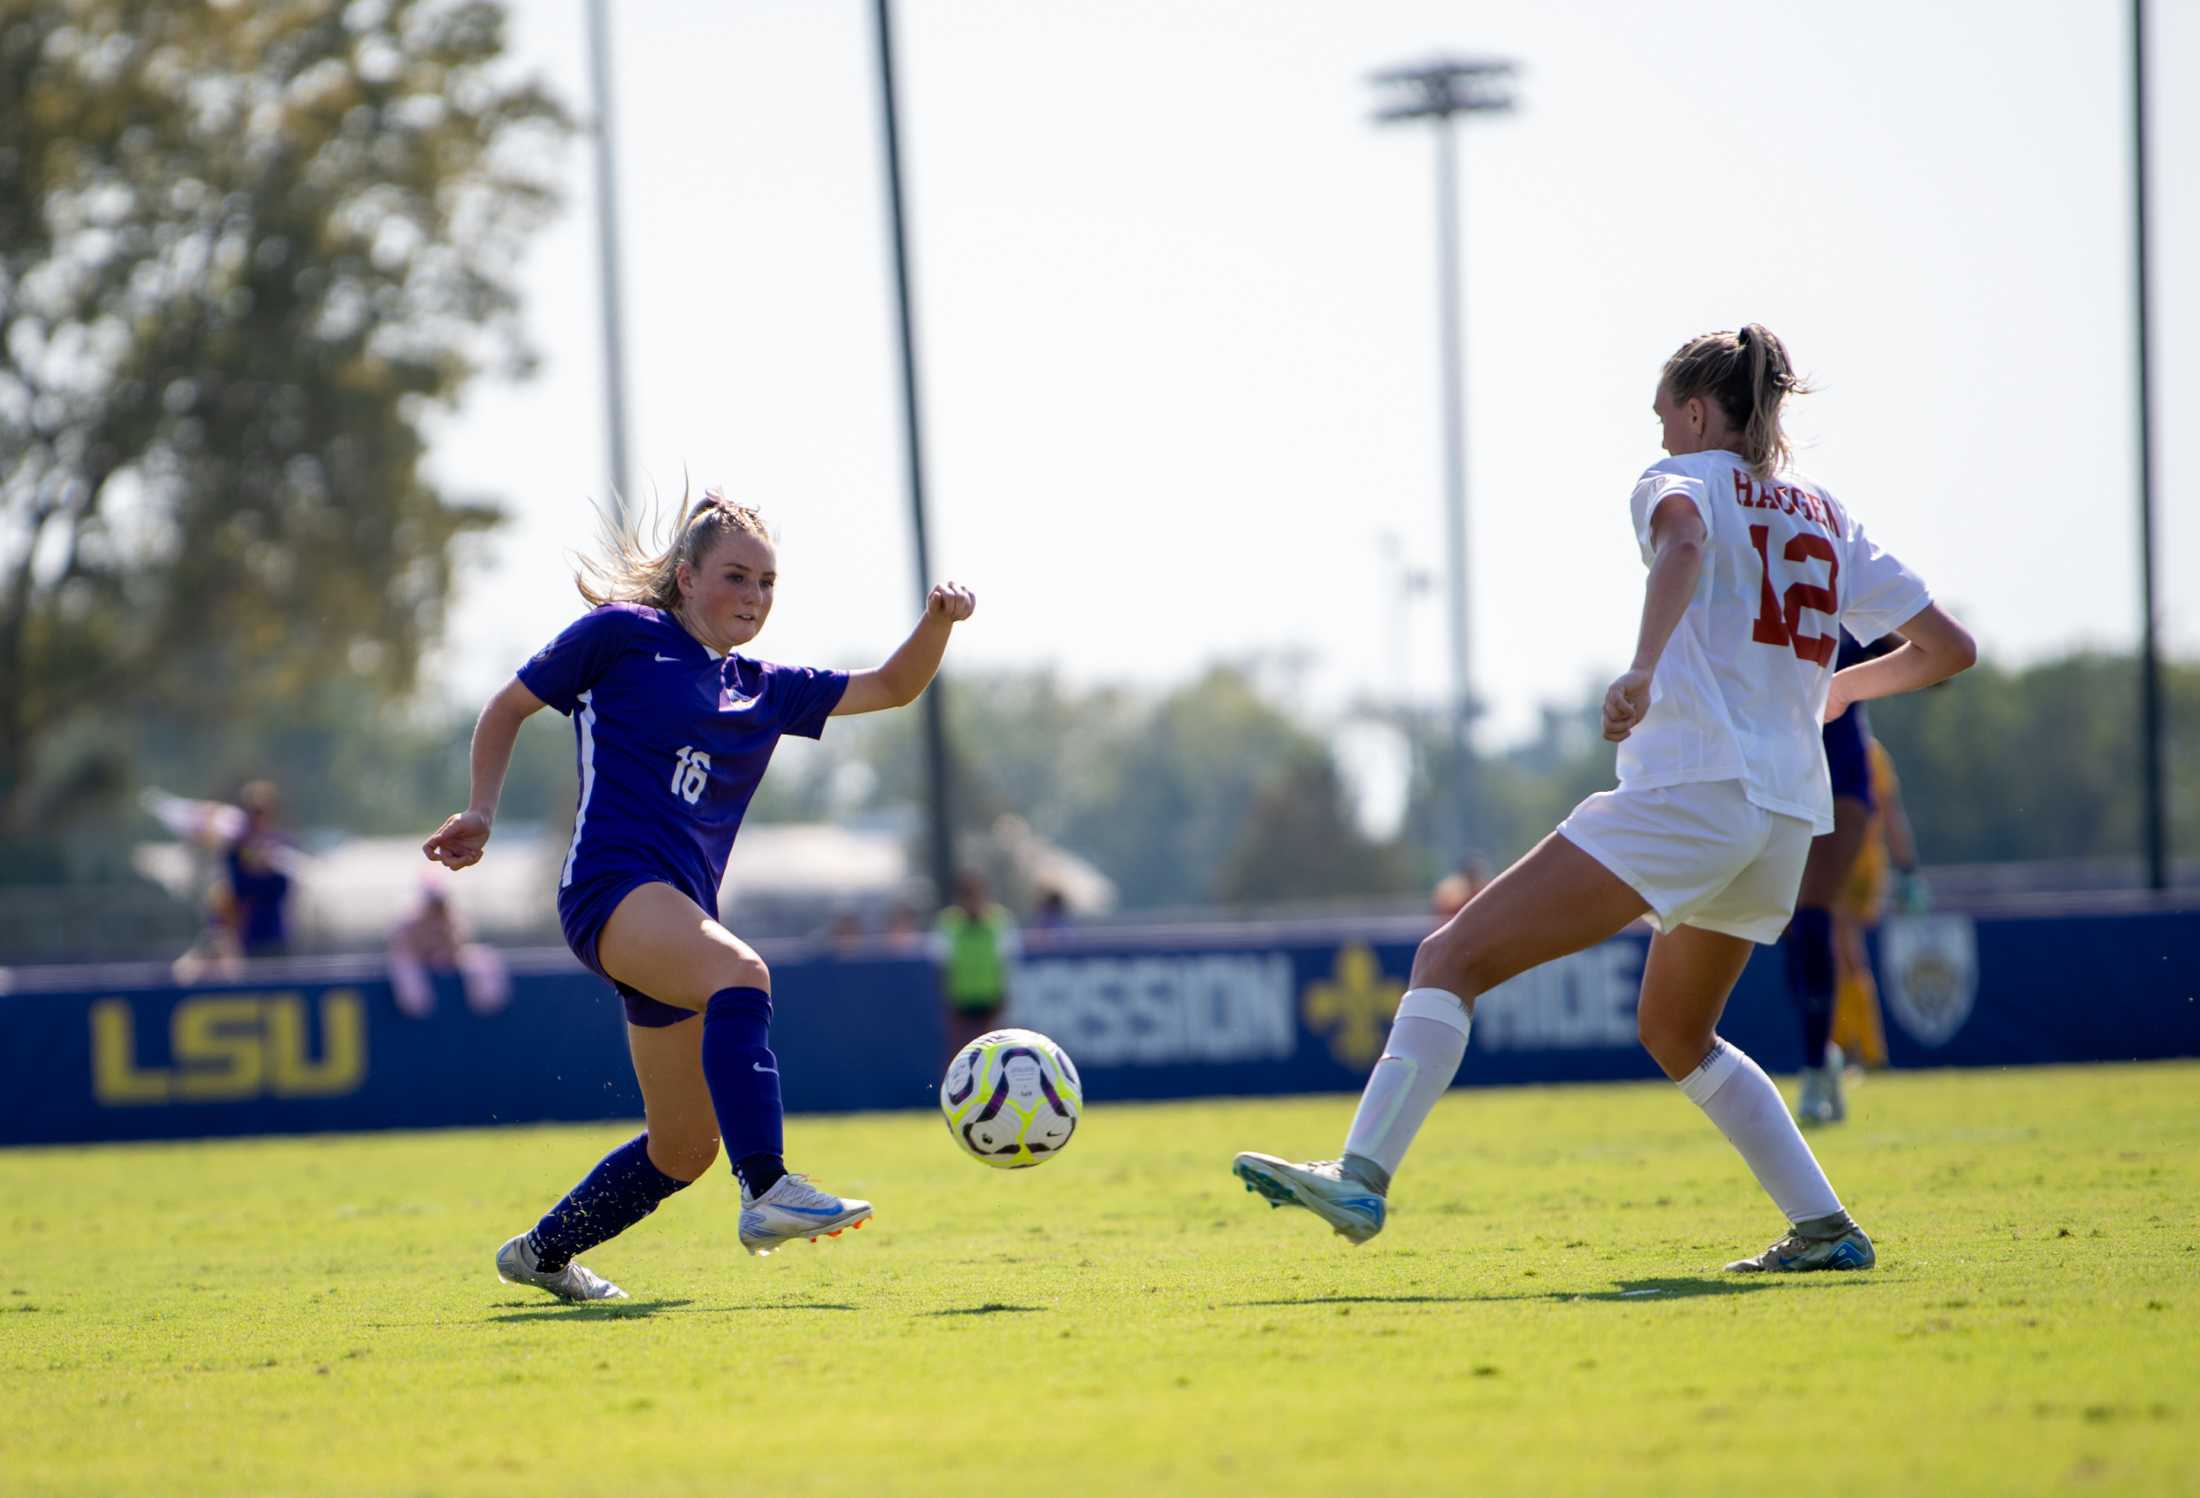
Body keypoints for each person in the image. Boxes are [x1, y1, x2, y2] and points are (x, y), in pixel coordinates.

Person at [1233, 324, 1975, 1273]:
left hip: (1692, 791)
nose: (1662, 433)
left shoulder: (1680, 480)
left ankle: (1361, 1178)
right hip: (1788, 815)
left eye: (1668, 414)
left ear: (1699, 411)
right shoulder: (1826, 513)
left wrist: (1640, 666)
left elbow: (1683, 544)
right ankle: (1826, 1230)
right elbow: (1951, 649)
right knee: (1676, 1031)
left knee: (1449, 956)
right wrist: (1842, 688)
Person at [423, 489, 975, 1301]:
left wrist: (939, 622)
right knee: (741, 976)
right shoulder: (623, 635)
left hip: (675, 915)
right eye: (736, 577)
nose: (752, 598)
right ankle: (768, 1189)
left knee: (682, 1148)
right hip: (610, 890)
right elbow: (508, 707)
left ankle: (541, 1253)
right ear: (685, 577)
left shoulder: (763, 685)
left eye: (767, 584)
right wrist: (480, 810)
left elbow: (893, 686)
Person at [1780, 632, 1881, 1125]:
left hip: (1841, 779)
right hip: (1781, 779)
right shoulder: (1752, 603)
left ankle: (1816, 1067)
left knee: (1815, 916)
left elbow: (1927, 656)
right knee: (1789, 928)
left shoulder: (1839, 606)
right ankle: (1822, 1049)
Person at [1828, 735, 1922, 1071]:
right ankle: (1858, 1047)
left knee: (1839, 951)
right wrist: (1906, 865)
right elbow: (1893, 815)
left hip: (1842, 858)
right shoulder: (1874, 750)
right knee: (1845, 951)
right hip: (1869, 861)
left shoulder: (1833, 743)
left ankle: (1855, 1049)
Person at [387, 877, 511, 1018]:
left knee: (483, 955)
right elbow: (402, 947)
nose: (437, 906)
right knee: (402, 963)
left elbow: (459, 944)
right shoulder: (407, 921)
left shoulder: (454, 918)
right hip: (418, 961)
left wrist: (444, 950)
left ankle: (489, 1000)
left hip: (447, 959)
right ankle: (414, 1004)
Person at [934, 869, 1019, 1063]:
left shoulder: (999, 921)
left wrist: (1005, 998)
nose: (971, 901)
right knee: (959, 1056)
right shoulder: (948, 924)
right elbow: (942, 966)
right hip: (960, 999)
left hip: (991, 999)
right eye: (966, 895)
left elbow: (1006, 964)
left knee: (995, 1054)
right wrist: (946, 1000)